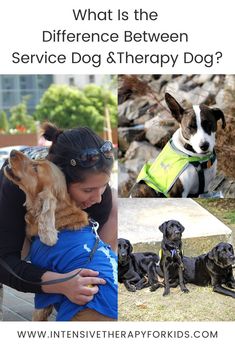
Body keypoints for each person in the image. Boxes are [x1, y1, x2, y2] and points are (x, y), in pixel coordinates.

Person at [0, 123, 117, 308]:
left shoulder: (99, 197)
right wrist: (61, 283)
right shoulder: (17, 184)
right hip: (23, 218)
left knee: (115, 206)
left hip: (61, 220)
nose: (98, 198)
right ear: (60, 181)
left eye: (103, 186)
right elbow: (5, 263)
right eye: (87, 190)